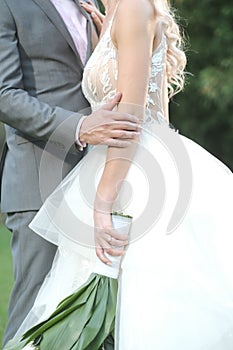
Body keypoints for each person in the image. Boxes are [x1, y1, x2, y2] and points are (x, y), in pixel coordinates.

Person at [4, 0, 233, 349]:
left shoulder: (132, 7)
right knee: (47, 317)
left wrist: (106, 197)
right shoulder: (104, 12)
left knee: (141, 304)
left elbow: (133, 114)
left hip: (126, 174)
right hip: (78, 169)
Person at [0, 0, 140, 346]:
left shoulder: (91, 2)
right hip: (38, 177)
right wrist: (78, 127)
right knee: (34, 313)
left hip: (100, 176)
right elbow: (4, 95)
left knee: (97, 314)